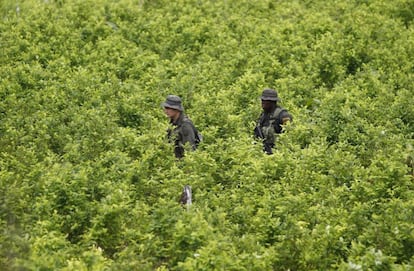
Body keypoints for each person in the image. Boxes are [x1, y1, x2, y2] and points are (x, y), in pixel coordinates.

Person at [254, 88, 292, 155]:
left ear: (272, 102)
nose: (262, 102)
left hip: (278, 152)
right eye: (262, 100)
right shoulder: (263, 115)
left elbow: (289, 135)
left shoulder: (283, 115)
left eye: (265, 101)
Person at [162, 95, 197, 159]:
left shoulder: (185, 126)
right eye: (165, 107)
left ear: (176, 109)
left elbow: (190, 150)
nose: (166, 111)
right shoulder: (172, 123)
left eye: (168, 108)